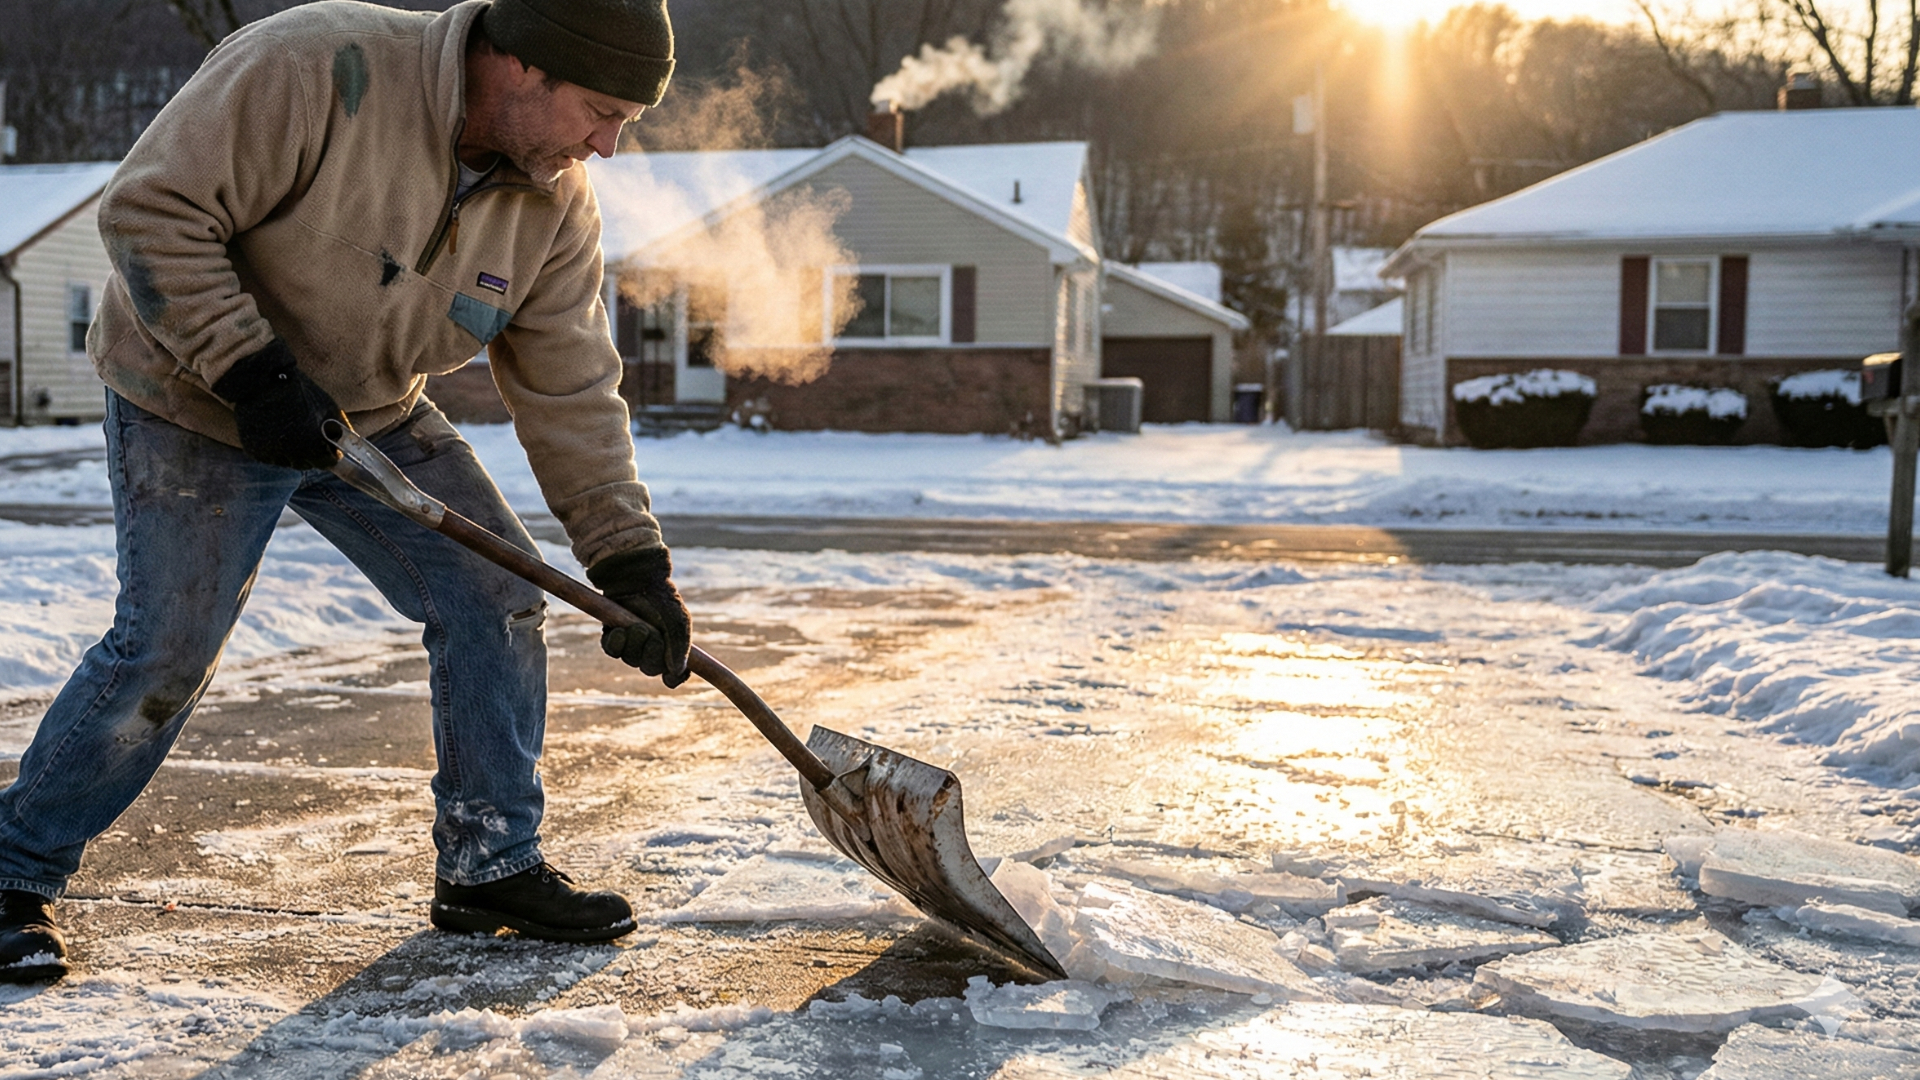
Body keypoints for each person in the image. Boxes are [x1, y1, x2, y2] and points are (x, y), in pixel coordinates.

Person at [0, 0, 694, 984]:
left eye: (627, 123)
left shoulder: (556, 198)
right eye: (602, 111)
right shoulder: (320, 66)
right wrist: (250, 369)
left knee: (495, 599)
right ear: (523, 65)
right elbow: (151, 211)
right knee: (166, 649)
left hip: (369, 412)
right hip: (195, 395)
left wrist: (629, 554)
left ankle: (489, 866)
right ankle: (10, 874)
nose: (610, 146)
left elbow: (572, 377)